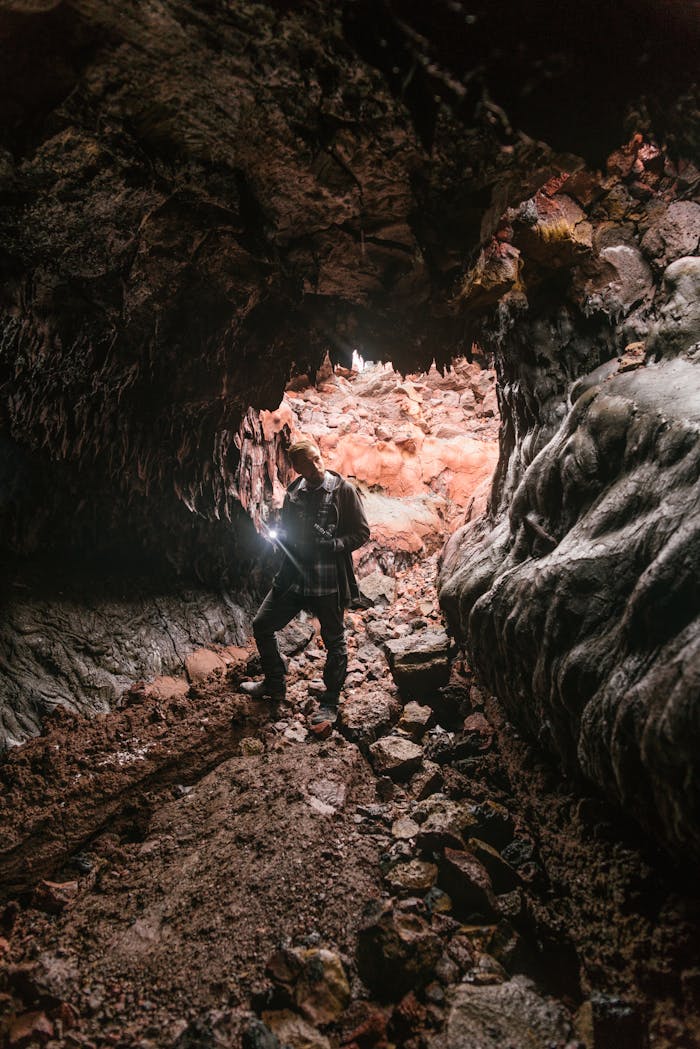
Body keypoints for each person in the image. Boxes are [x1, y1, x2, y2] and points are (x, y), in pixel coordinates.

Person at [240, 440, 370, 717]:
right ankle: (275, 683)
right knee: (262, 624)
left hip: (327, 581)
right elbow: (286, 532)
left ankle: (330, 702)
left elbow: (361, 533)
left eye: (317, 458)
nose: (315, 465)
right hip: (294, 578)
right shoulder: (294, 494)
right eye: (307, 463)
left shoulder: (342, 491)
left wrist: (333, 544)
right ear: (296, 467)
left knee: (334, 641)